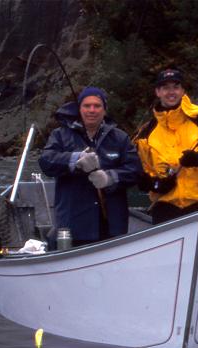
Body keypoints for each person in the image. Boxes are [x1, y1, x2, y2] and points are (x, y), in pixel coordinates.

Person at [39, 87, 142, 246]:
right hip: (72, 224)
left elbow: (135, 170)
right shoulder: (60, 135)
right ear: (79, 109)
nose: (92, 110)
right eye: (86, 106)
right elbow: (46, 161)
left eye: (97, 106)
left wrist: (110, 178)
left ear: (105, 110)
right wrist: (75, 159)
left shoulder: (120, 138)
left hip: (112, 225)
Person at [135, 69, 198, 224]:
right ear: (158, 92)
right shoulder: (146, 133)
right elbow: (142, 175)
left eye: (175, 87)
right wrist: (158, 184)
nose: (171, 92)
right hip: (166, 206)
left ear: (183, 90)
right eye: (165, 88)